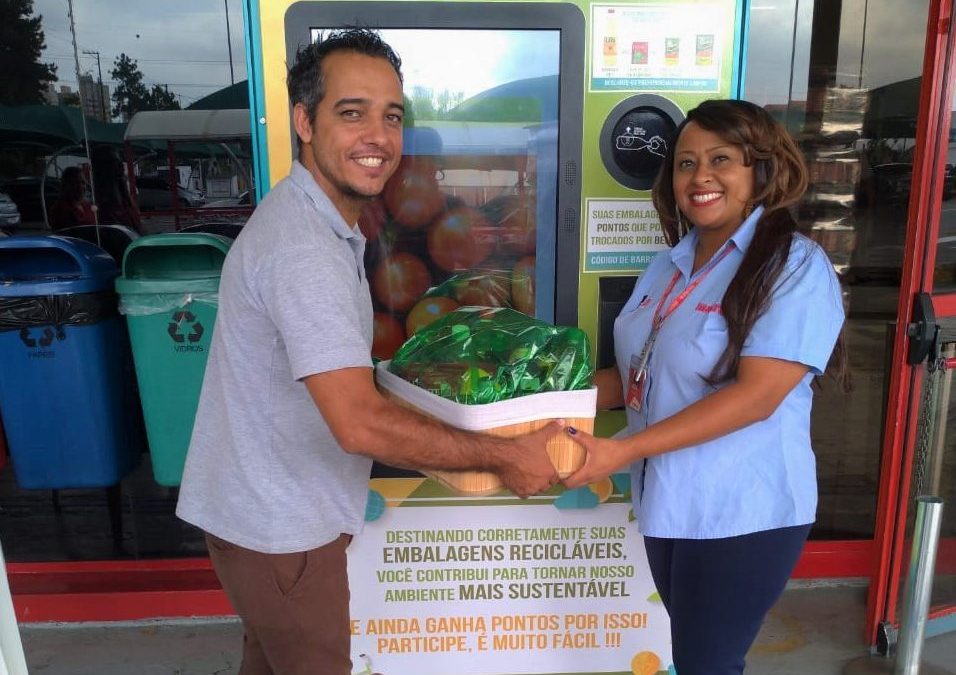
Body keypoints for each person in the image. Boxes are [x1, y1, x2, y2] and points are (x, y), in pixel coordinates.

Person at [175, 28, 562, 675]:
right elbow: (357, 421)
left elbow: (343, 384)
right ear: (303, 121)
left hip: (261, 519)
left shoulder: (321, 225)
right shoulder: (305, 249)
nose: (377, 136)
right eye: (351, 113)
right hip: (283, 533)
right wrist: (500, 455)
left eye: (391, 116)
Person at [563, 99, 848, 675]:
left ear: (760, 170)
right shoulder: (669, 265)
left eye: (722, 159)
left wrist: (620, 451)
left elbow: (758, 395)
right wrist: (544, 405)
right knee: (695, 658)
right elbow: (638, 373)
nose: (700, 177)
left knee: (707, 664)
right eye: (685, 164)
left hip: (741, 509)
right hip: (668, 502)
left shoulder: (793, 265)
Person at [90, 145, 143, 234]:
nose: (121, 166)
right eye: (115, 162)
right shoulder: (100, 208)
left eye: (120, 162)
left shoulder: (125, 198)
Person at [47, 166, 95, 231]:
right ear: (66, 185)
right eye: (76, 183)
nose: (80, 186)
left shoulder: (87, 205)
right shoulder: (60, 208)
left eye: (83, 182)